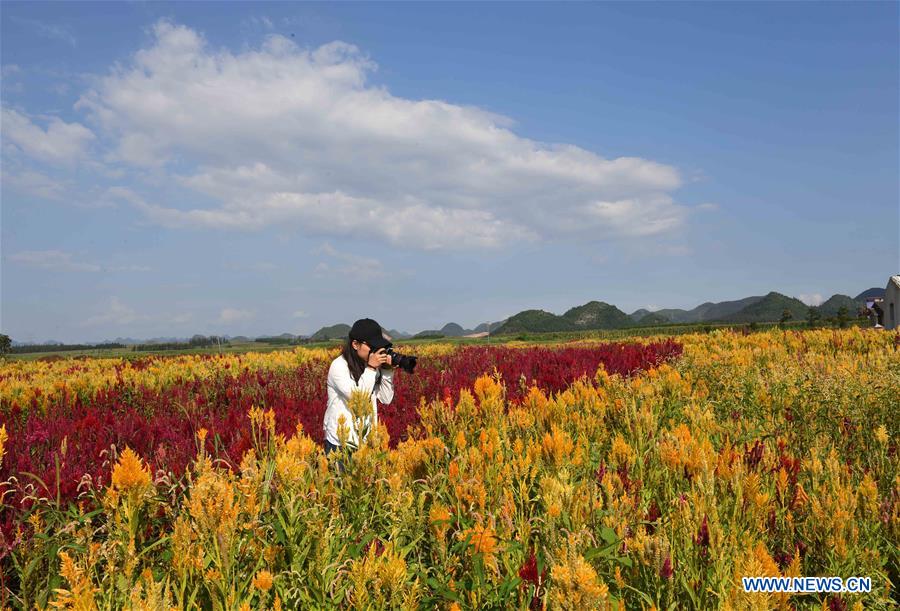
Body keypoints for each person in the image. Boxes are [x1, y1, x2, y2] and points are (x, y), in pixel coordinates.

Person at [323, 318, 395, 458]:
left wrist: (387, 371)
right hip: (341, 443)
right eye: (372, 347)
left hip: (366, 442)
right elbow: (359, 398)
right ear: (355, 344)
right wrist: (371, 368)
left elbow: (386, 398)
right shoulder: (339, 366)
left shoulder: (370, 365)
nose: (377, 352)